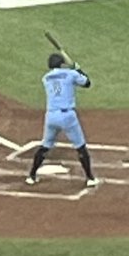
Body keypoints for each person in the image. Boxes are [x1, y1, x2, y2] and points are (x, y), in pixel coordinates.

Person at [26, 53, 97, 187]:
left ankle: (31, 176)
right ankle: (90, 178)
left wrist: (74, 71)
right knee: (80, 147)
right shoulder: (71, 74)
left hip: (51, 116)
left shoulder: (45, 78)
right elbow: (87, 83)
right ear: (62, 63)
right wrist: (78, 70)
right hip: (67, 116)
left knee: (45, 146)